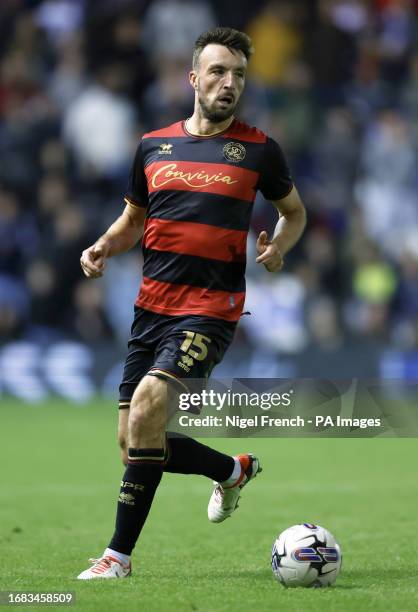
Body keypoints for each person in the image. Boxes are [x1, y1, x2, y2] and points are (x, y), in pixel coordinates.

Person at [77, 27, 306, 580]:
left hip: (211, 306)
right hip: (151, 306)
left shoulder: (258, 149)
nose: (231, 83)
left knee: (153, 403)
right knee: (135, 441)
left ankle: (117, 558)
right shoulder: (153, 146)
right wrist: (106, 243)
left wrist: (278, 247)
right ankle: (232, 470)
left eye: (240, 75)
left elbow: (294, 213)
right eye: (220, 71)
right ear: (194, 78)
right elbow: (134, 219)